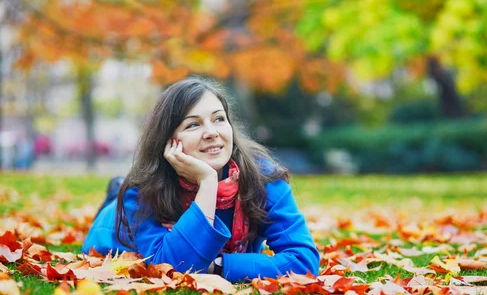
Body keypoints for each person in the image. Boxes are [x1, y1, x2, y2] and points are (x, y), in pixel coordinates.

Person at [82, 77, 320, 282]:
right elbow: (173, 267)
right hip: (114, 228)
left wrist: (219, 266)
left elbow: (304, 261)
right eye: (193, 124)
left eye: (218, 119)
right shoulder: (141, 192)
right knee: (118, 201)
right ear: (167, 141)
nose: (211, 132)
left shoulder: (263, 177)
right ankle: (115, 192)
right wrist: (207, 183)